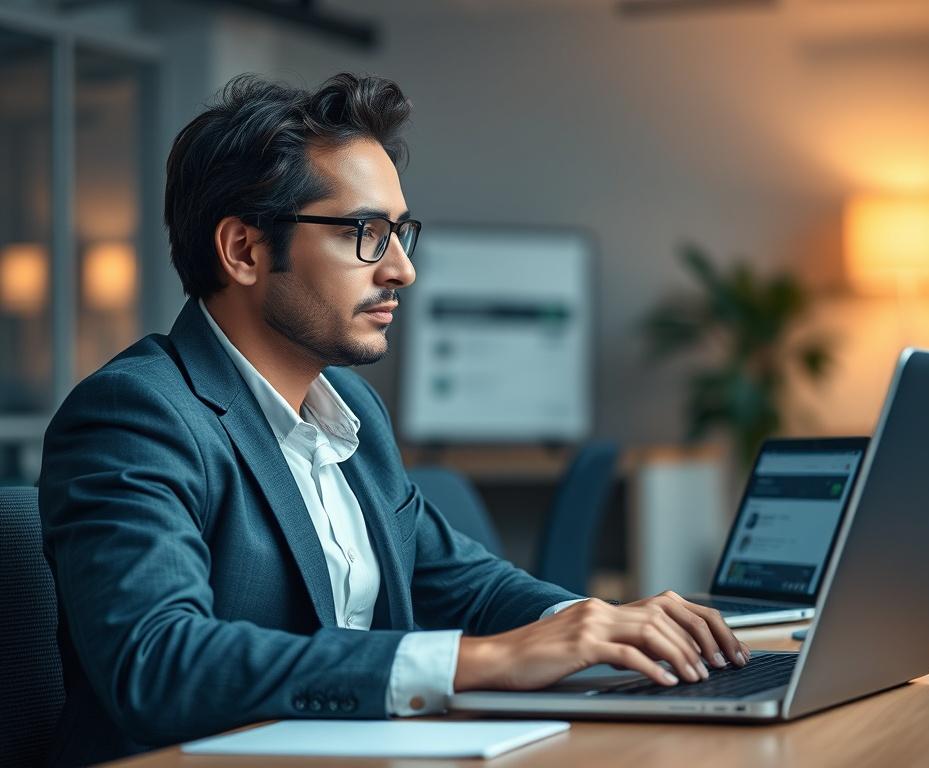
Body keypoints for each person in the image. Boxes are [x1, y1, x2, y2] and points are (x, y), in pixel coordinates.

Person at [38, 73, 749, 767]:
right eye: (365, 232)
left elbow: (463, 583)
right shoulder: (137, 413)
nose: (402, 270)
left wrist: (595, 625)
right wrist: (483, 661)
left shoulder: (353, 413)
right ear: (244, 250)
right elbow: (158, 660)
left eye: (400, 232)